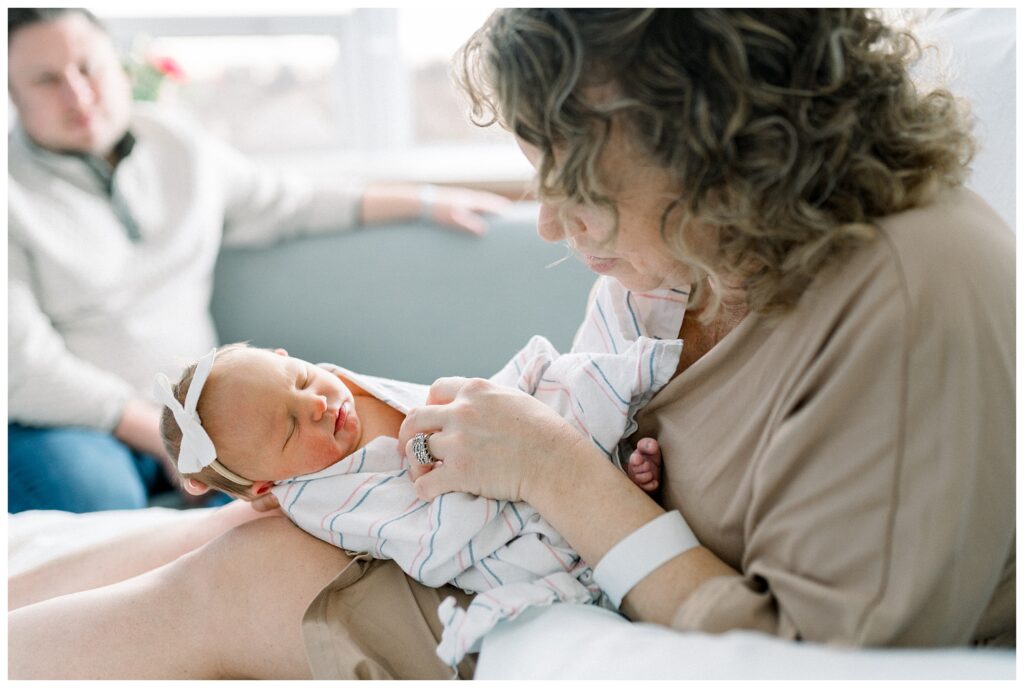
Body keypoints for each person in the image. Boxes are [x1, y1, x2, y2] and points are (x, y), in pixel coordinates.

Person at [8, 9, 1014, 680]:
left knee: (229, 577)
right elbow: (589, 408)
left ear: (702, 133)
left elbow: (810, 658)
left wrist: (556, 471)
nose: (546, 222)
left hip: (561, 585)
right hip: (524, 545)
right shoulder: (695, 251)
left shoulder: (905, 298)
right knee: (227, 534)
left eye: (573, 175)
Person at [7, 7, 511, 513]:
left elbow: (289, 203)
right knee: (96, 495)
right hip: (72, 425)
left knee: (288, 497)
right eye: (46, 80)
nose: (77, 94)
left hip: (207, 420)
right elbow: (25, 367)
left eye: (88, 67)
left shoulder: (178, 144)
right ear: (13, 94)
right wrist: (155, 432)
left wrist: (425, 202)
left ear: (116, 67)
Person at [152, 273, 678, 666]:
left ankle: (608, 446)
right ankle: (597, 503)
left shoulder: (339, 391)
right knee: (527, 533)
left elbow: (437, 408)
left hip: (488, 445)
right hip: (472, 521)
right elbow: (427, 546)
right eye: (290, 429)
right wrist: (438, 458)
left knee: (553, 383)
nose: (315, 405)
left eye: (301, 379)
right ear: (271, 485)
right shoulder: (323, 500)